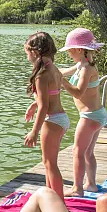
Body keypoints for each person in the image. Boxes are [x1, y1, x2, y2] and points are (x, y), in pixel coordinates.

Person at [60, 28, 107, 196]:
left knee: (77, 152)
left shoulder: (87, 69)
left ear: (79, 50)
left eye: (70, 50)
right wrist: (49, 70)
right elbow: (64, 71)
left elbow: (79, 93)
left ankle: (77, 188)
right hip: (97, 114)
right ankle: (91, 184)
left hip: (90, 117)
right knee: (88, 152)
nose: (68, 53)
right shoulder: (81, 65)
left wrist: (62, 81)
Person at [23, 32, 67, 196]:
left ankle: (59, 203)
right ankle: (51, 198)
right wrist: (34, 105)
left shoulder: (41, 75)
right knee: (48, 162)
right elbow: (51, 95)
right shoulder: (53, 69)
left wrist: (34, 131)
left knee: (50, 164)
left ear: (35, 52)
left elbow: (44, 106)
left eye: (27, 52)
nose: (27, 56)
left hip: (53, 121)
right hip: (61, 118)